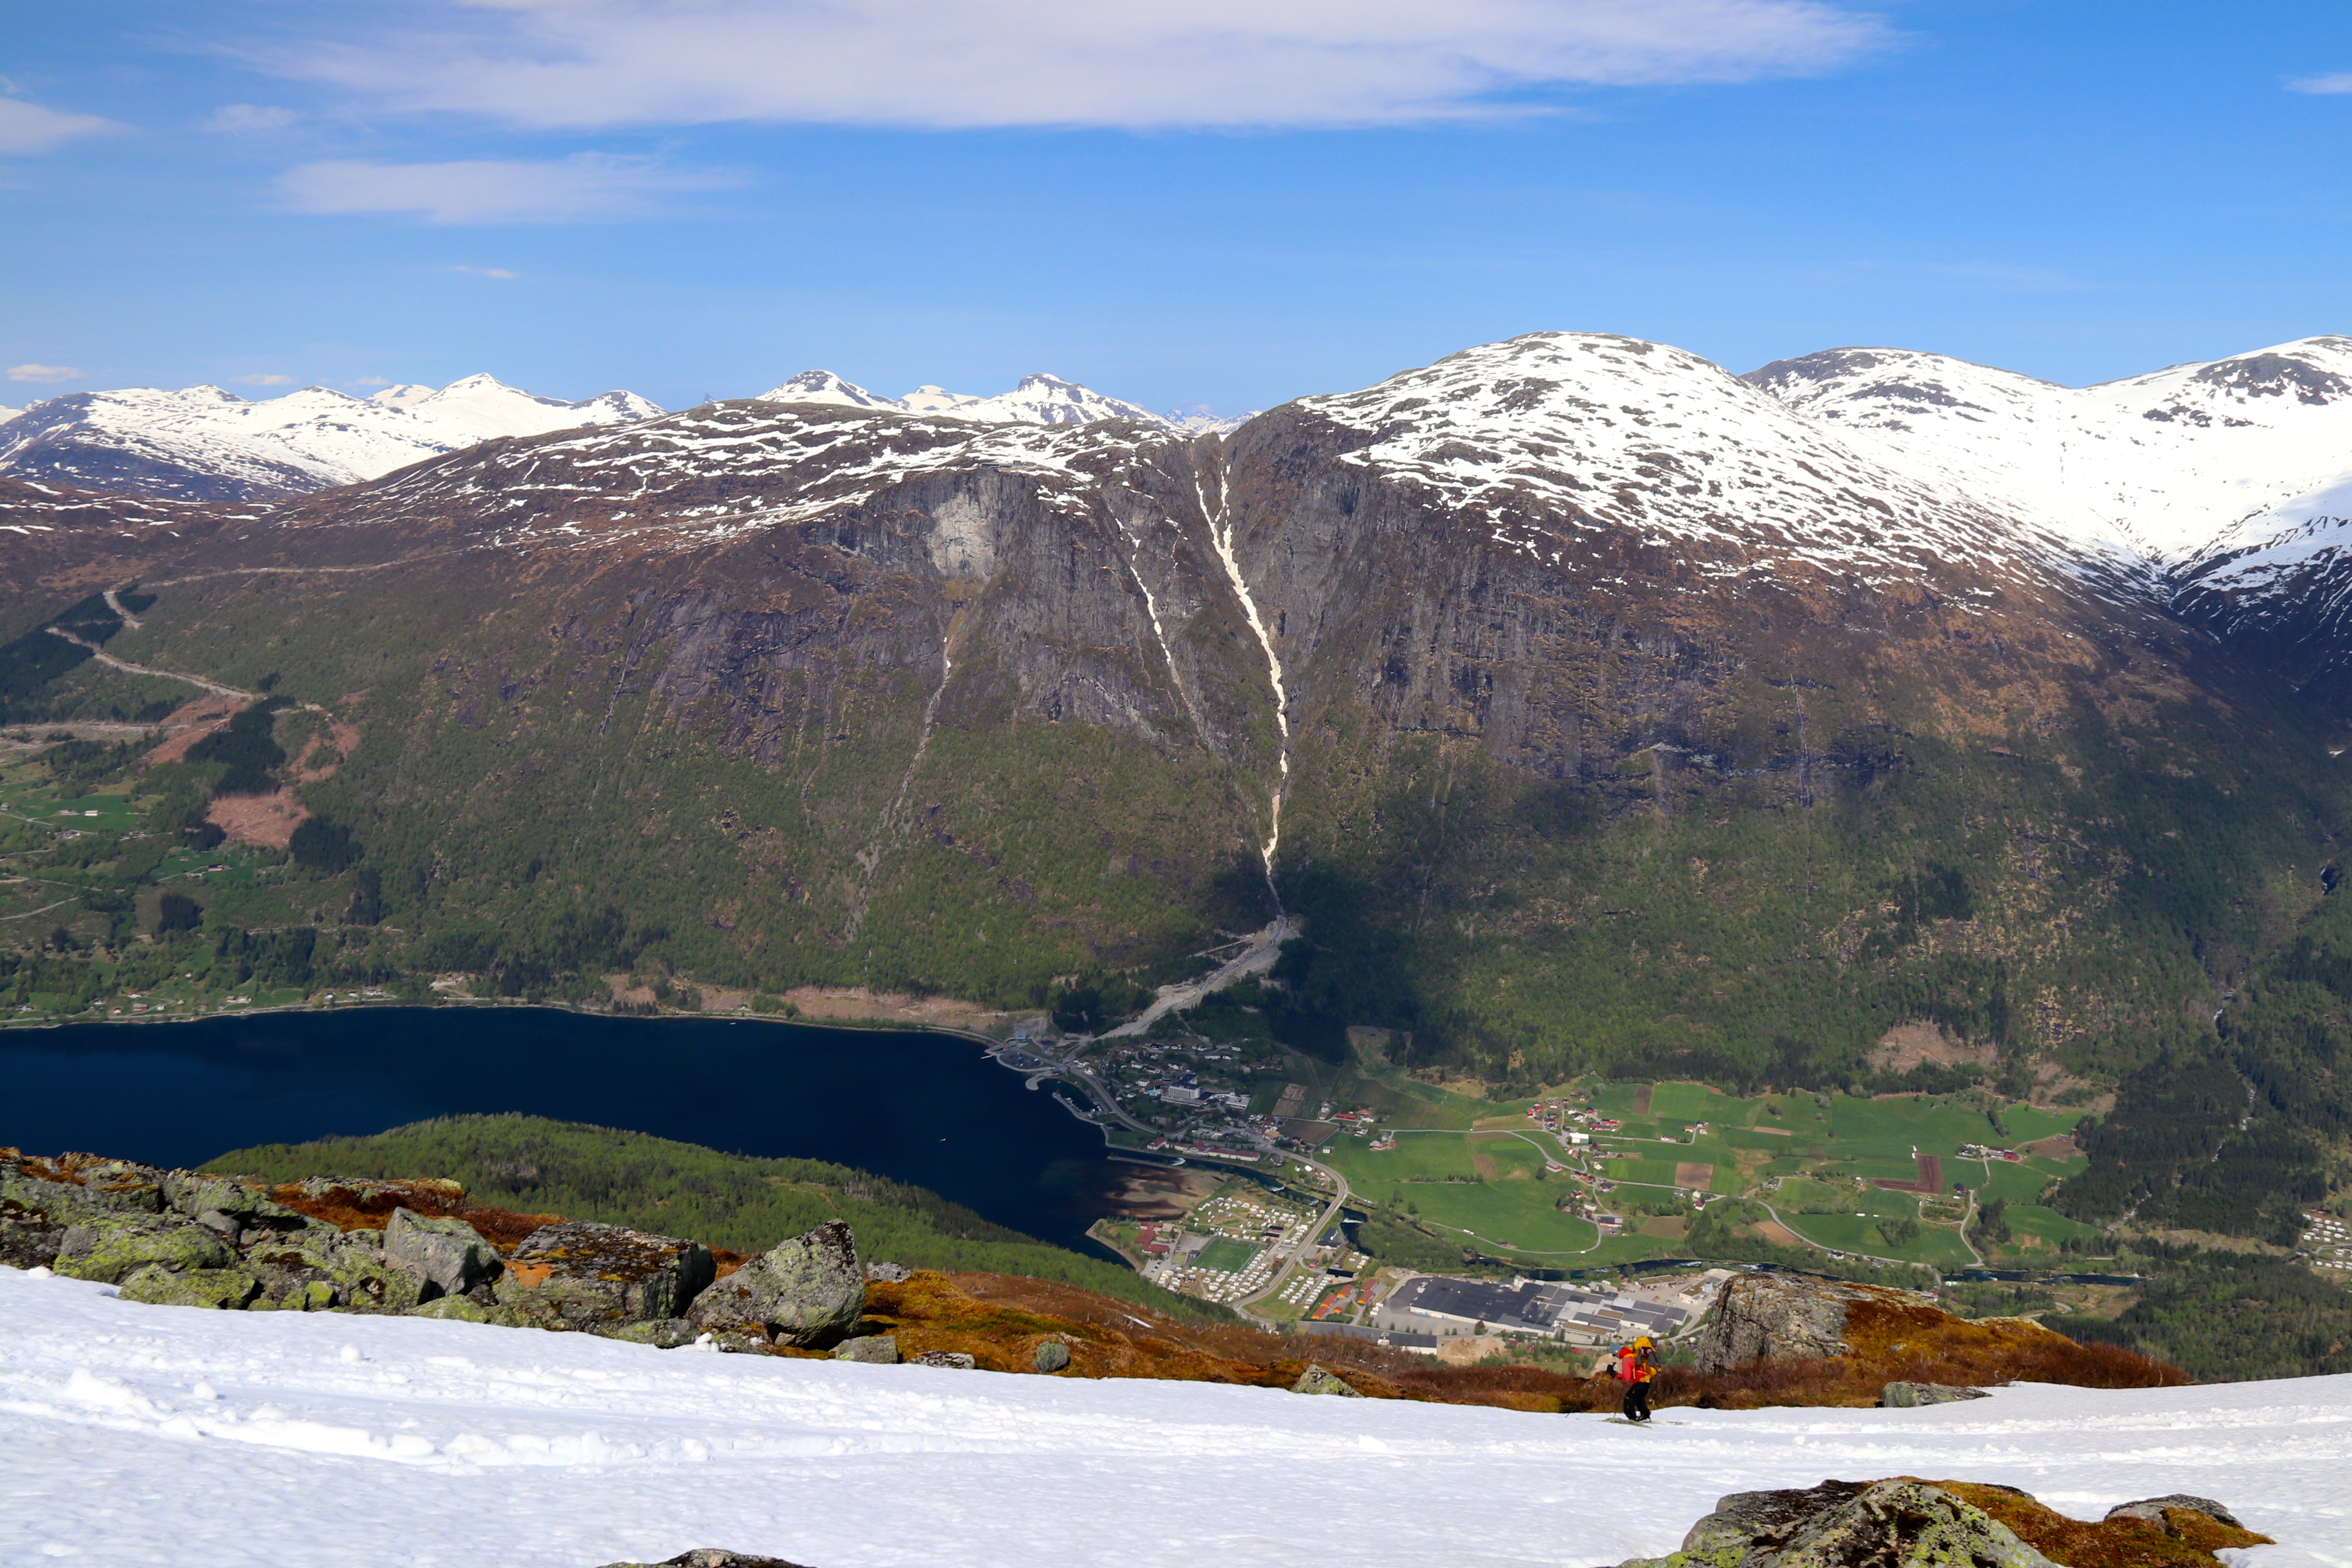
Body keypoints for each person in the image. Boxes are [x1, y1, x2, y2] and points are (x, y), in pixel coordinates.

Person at [1616, 1334, 1658, 1422]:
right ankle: (1645, 1414)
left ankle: (1633, 1420)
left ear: (1617, 1352)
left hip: (1641, 1382)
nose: (1615, 1357)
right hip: (1647, 1380)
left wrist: (1615, 1375)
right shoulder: (1632, 1353)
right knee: (1638, 1399)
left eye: (1614, 1354)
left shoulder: (1627, 1358)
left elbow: (1627, 1378)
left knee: (1628, 1403)